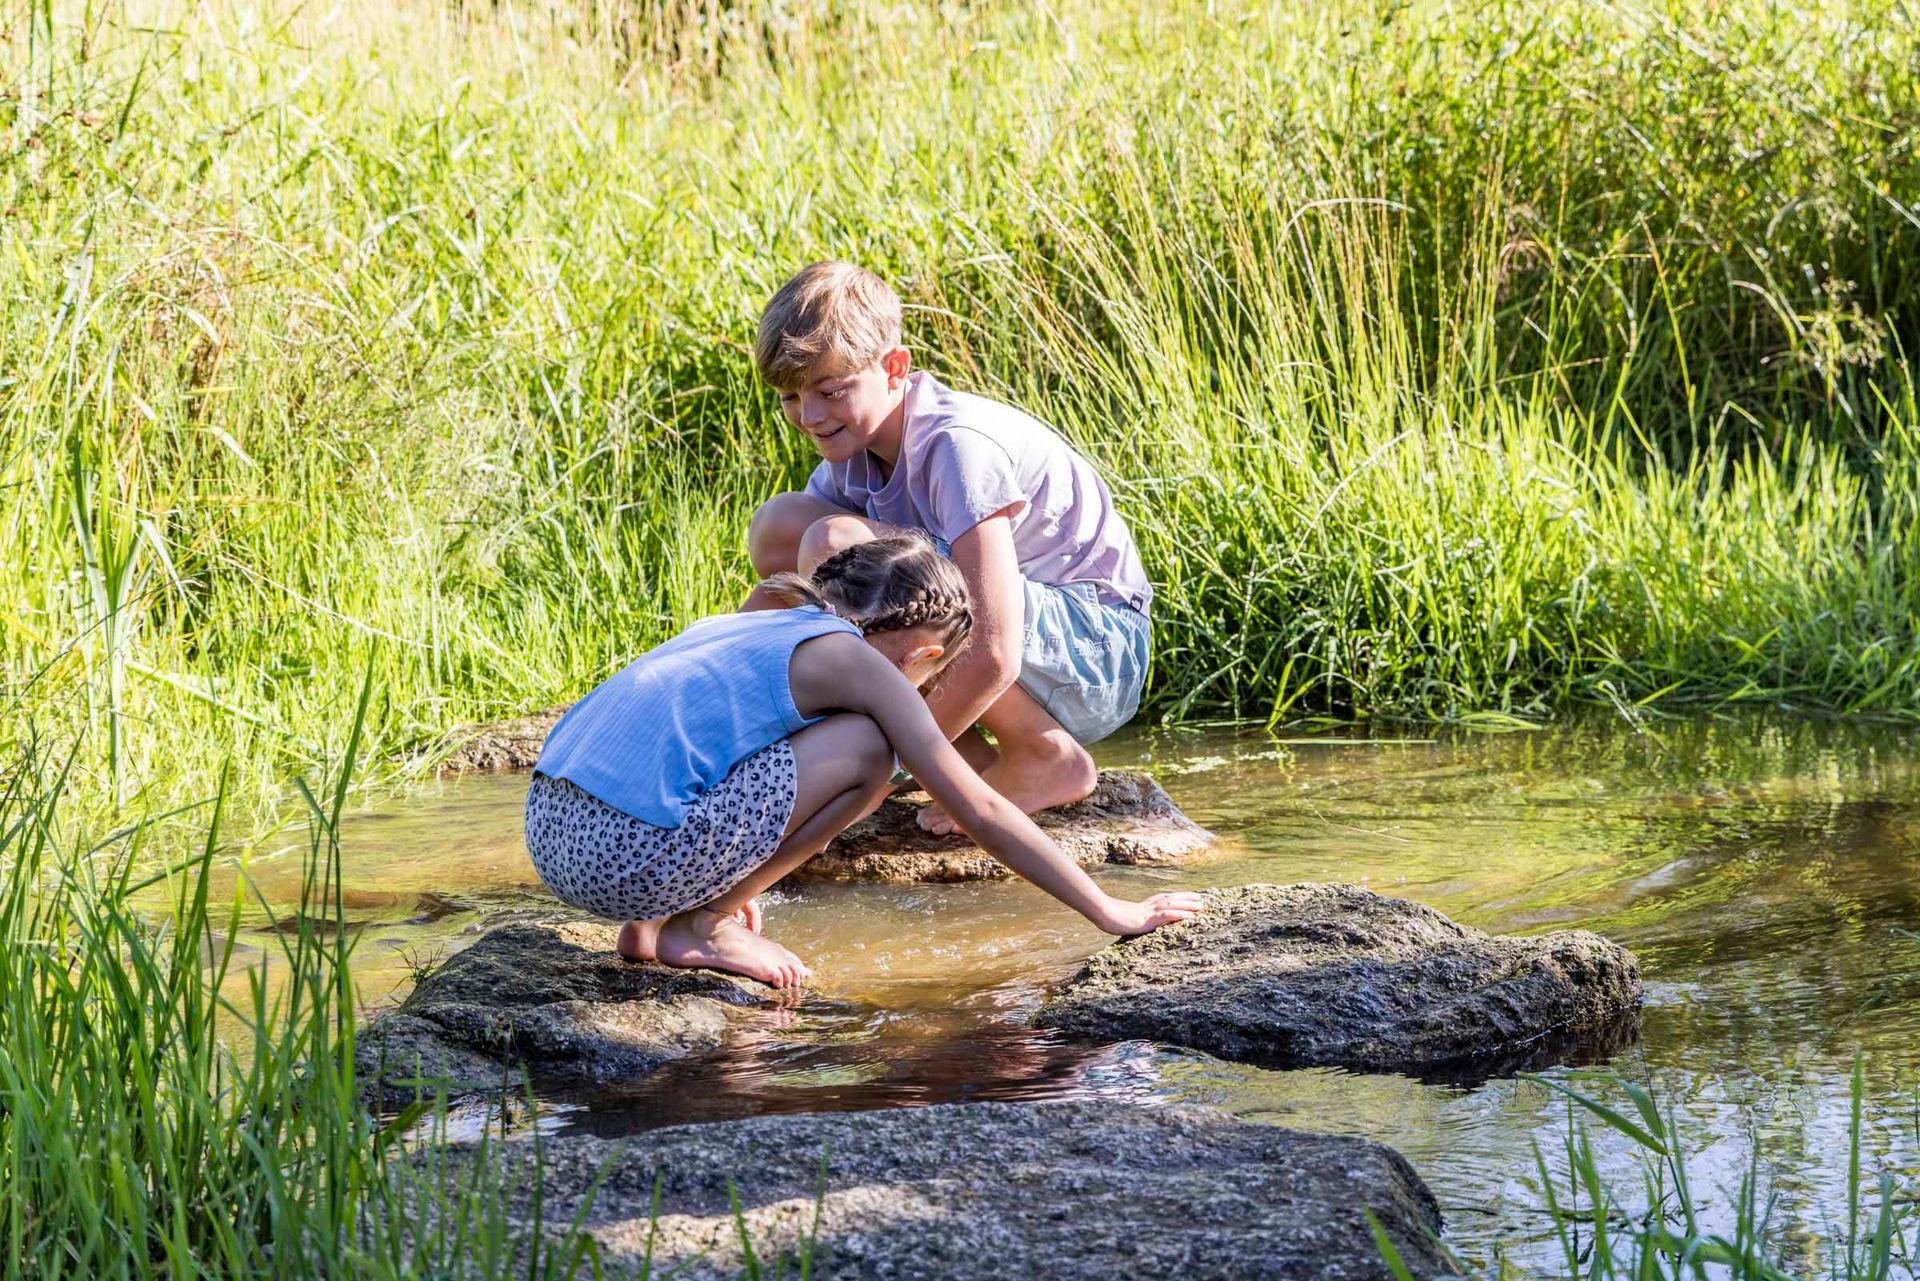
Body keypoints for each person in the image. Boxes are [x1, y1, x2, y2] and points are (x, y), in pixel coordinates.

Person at [525, 534, 1200, 988]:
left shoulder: (761, 616)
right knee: (871, 753)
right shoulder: (856, 659)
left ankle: (650, 926)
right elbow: (979, 805)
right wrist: (1112, 910)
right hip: (621, 858)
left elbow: (677, 754)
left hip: (550, 829)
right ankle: (701, 924)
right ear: (925, 657)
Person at [744, 262, 1154, 835]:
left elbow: (995, 648)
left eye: (830, 391)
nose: (809, 417)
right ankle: (980, 764)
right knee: (782, 528)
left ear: (894, 369)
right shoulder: (851, 456)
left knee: (835, 543)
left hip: (1095, 648)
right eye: (790, 396)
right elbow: (793, 594)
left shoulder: (957, 446)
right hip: (1018, 646)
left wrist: (875, 774)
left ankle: (1043, 755)